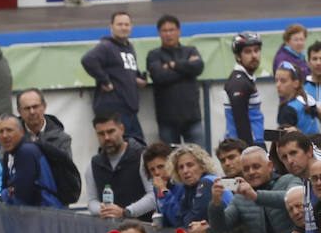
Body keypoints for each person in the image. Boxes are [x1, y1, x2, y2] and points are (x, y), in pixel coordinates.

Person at [81, 11, 147, 141]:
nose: (123, 27)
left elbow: (125, 70)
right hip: (114, 111)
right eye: (120, 24)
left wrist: (137, 79)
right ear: (111, 27)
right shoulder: (106, 46)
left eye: (127, 24)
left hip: (130, 109)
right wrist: (105, 80)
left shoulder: (129, 47)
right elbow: (88, 60)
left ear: (131, 27)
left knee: (138, 149)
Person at [146, 15, 205, 146]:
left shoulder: (190, 50)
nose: (168, 34)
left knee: (200, 159)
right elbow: (159, 76)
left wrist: (172, 65)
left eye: (172, 30)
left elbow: (198, 67)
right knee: (169, 162)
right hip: (167, 120)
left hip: (192, 118)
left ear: (179, 31)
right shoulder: (154, 55)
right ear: (159, 33)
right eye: (164, 31)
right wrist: (186, 70)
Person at [85, 113, 155, 218]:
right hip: (109, 231)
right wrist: (106, 210)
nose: (107, 137)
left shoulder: (142, 157)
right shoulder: (93, 164)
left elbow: (154, 196)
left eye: (111, 131)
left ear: (121, 129)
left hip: (142, 229)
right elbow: (91, 201)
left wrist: (125, 212)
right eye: (101, 134)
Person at [0, 114, 63, 208]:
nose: (5, 135)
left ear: (22, 132)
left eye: (9, 130)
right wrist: (8, 193)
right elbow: (6, 188)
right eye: (0, 131)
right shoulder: (8, 154)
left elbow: (21, 197)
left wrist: (6, 194)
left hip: (46, 215)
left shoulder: (26, 152)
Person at [163, 144, 220, 233]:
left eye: (190, 165)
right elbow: (178, 222)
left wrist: (185, 218)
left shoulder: (207, 182)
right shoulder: (188, 187)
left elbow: (191, 222)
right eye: (181, 167)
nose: (185, 171)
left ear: (202, 167)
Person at [225, 32, 265, 146]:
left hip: (253, 141)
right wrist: (249, 150)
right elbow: (241, 121)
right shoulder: (239, 82)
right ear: (238, 56)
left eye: (256, 50)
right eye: (248, 52)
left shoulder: (246, 79)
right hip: (246, 144)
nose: (254, 55)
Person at [17, 88, 73, 156]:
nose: (32, 112)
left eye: (35, 107)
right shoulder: (10, 137)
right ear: (19, 111)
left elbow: (66, 166)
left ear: (44, 106)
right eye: (27, 108)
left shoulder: (61, 139)